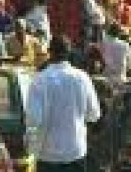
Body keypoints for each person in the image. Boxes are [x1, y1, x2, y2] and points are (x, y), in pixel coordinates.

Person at [28, 36, 101, 172]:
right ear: (69, 52)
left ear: (50, 52)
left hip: (47, 155)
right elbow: (94, 115)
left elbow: (33, 119)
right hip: (75, 151)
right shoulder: (82, 78)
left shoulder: (39, 80)